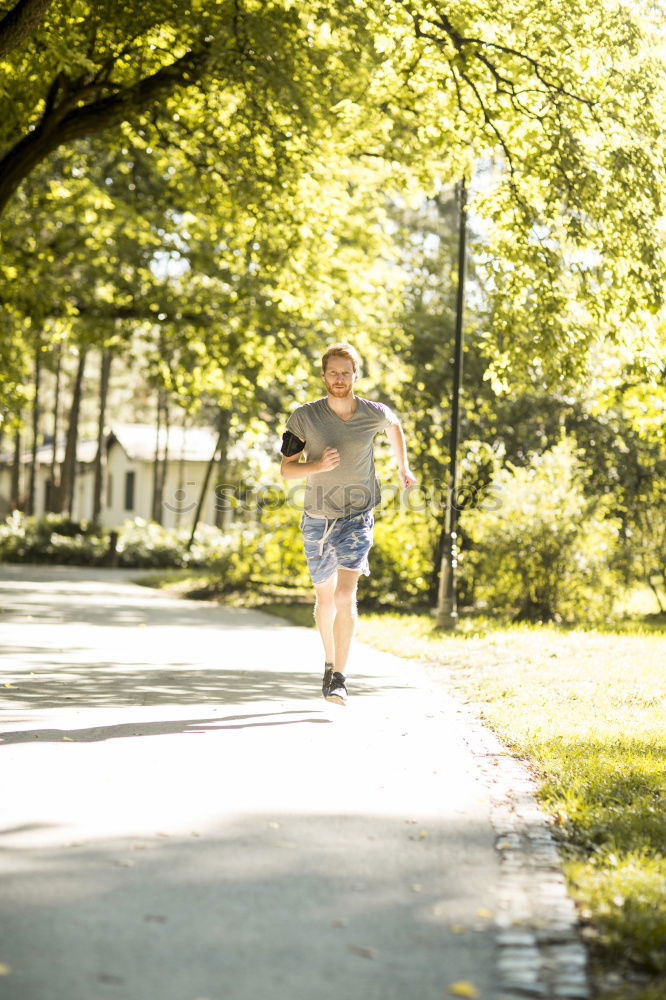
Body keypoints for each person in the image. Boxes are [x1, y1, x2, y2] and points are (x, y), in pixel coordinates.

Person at [280, 343, 416, 705]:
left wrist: (403, 467)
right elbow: (286, 470)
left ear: (357, 375)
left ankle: (340, 677)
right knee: (324, 599)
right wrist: (317, 466)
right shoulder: (304, 418)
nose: (339, 379)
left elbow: (395, 426)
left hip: (358, 515)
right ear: (323, 375)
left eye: (346, 372)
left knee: (344, 595)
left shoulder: (374, 413)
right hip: (316, 518)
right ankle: (328, 662)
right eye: (333, 372)